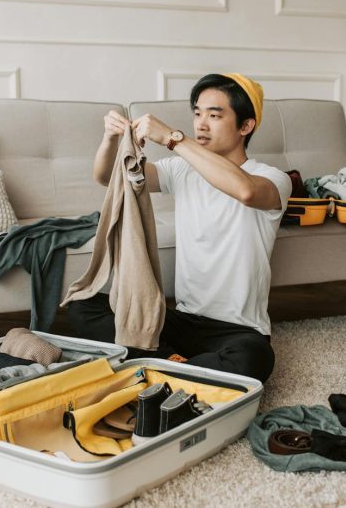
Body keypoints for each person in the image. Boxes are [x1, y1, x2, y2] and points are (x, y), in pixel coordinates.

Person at [67, 74, 291, 383]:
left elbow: (246, 192)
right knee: (83, 303)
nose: (201, 124)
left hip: (238, 330)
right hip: (181, 320)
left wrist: (174, 139)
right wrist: (110, 139)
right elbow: (108, 177)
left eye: (214, 115)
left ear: (245, 126)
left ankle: (156, 364)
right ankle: (179, 366)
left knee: (254, 358)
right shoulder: (182, 169)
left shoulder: (272, 178)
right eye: (197, 113)